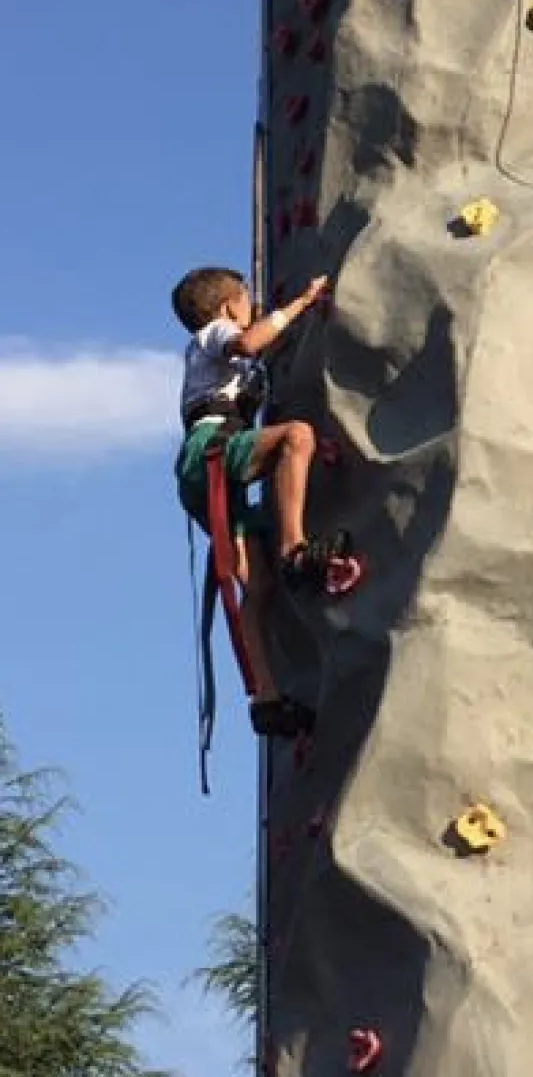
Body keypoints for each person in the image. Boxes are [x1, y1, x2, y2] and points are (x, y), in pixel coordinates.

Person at [170, 264, 346, 738]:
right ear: (230, 305)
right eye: (247, 299)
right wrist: (302, 304)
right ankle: (294, 548)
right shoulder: (217, 332)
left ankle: (265, 698)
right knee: (297, 436)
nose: (253, 308)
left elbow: (259, 350)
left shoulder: (218, 353)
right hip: (213, 451)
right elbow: (250, 343)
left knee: (260, 588)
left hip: (205, 475)